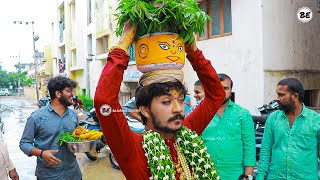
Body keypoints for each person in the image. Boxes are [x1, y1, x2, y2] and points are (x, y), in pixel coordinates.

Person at [94, 21, 225, 179]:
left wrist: (193, 52)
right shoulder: (132, 147)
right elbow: (104, 101)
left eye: (181, 99)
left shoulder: (187, 131)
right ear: (144, 109)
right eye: (166, 102)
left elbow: (217, 94)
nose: (178, 109)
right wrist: (122, 47)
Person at [256, 78, 320, 180]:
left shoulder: (315, 120)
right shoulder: (273, 119)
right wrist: (260, 177)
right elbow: (265, 151)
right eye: (277, 94)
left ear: (295, 96)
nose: (277, 98)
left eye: (281, 95)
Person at [19, 76, 82, 180]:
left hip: (73, 174)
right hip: (48, 175)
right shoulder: (36, 117)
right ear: (58, 94)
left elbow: (76, 137)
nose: (72, 94)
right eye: (69, 91)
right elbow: (24, 143)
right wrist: (42, 153)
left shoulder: (73, 115)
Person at [202, 73, 256, 180]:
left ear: (231, 91)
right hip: (205, 173)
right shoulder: (201, 112)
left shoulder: (243, 113)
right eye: (217, 88)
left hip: (235, 175)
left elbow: (249, 146)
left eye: (225, 88)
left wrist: (247, 176)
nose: (221, 92)